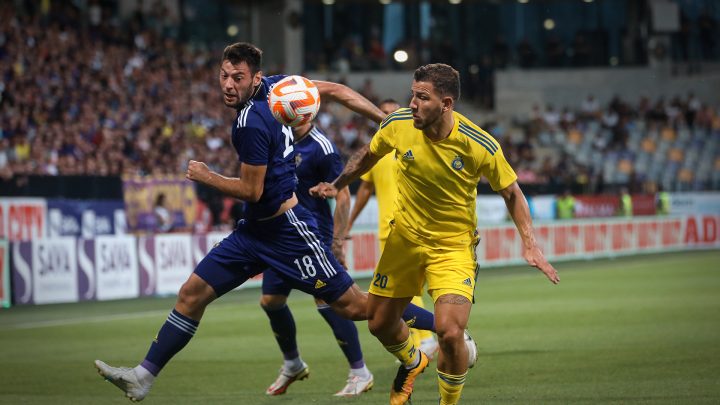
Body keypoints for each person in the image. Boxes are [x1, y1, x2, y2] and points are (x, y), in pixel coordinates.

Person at [93, 42, 437, 402]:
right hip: (253, 233)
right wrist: (382, 120)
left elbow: (251, 190)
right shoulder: (277, 87)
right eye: (224, 75)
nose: (228, 84)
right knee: (191, 294)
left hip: (289, 231)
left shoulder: (251, 123)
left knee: (355, 307)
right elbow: (334, 91)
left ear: (254, 77)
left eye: (237, 78)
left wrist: (206, 175)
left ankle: (444, 332)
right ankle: (142, 378)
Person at [311, 63, 560, 405]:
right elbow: (369, 155)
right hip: (404, 241)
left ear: (446, 104)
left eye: (422, 97)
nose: (412, 103)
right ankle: (413, 362)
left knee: (449, 331)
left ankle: (448, 402)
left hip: (452, 248)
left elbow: (512, 193)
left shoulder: (478, 143)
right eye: (412, 94)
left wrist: (531, 245)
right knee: (379, 324)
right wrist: (337, 184)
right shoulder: (398, 124)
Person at [260, 121, 373, 397]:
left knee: (331, 300)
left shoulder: (322, 148)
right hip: (283, 234)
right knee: (271, 301)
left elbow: (343, 194)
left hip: (312, 233)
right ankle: (293, 364)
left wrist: (337, 241)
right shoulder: (280, 137)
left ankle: (360, 372)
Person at [348, 98, 439, 360]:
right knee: (404, 289)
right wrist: (349, 223)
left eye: (390, 113)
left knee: (414, 288)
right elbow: (365, 190)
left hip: (419, 226)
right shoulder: (376, 150)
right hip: (388, 231)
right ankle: (430, 338)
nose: (385, 117)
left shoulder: (413, 142)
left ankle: (433, 336)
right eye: (382, 113)